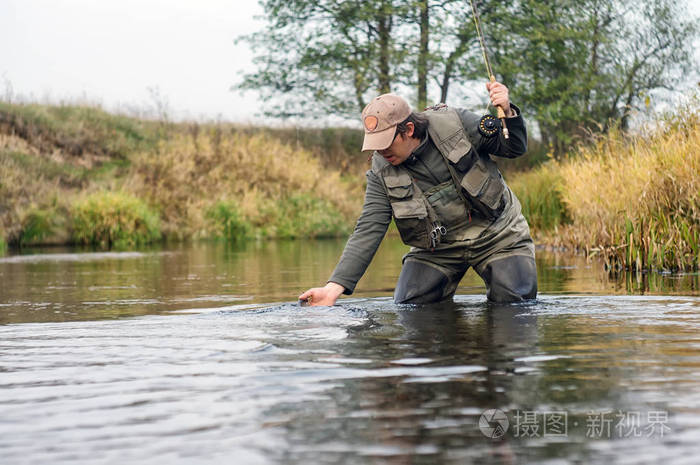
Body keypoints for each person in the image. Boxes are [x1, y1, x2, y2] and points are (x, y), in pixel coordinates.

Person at [299, 81, 537, 306]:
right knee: (410, 305)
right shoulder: (381, 171)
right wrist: (332, 288)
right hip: (439, 248)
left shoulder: (455, 123)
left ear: (409, 129)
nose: (381, 152)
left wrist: (507, 110)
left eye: (386, 143)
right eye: (375, 144)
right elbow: (369, 228)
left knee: (514, 305)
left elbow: (514, 148)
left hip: (498, 235)